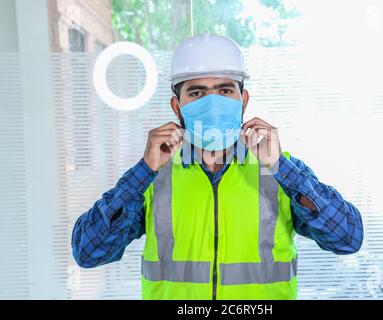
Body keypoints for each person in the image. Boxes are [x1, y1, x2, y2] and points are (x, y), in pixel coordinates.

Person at [72, 33, 363, 300]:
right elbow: (88, 252)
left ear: (243, 101)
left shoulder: (278, 170)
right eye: (197, 93)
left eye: (224, 91)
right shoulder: (153, 175)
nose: (212, 104)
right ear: (177, 107)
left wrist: (280, 167)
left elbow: (348, 238)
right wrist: (143, 171)